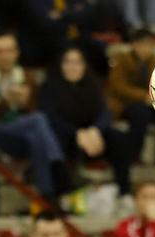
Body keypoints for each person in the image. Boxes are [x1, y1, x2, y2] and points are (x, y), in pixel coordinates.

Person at [0, 31, 70, 203]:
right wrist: (6, 101)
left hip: (21, 136)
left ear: (16, 53)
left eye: (8, 51)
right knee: (38, 119)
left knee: (36, 137)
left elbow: (32, 114)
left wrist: (25, 104)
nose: (4, 56)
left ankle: (46, 196)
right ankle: (57, 163)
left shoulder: (25, 77)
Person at [38, 46, 132, 207]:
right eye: (68, 62)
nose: (73, 67)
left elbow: (105, 113)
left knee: (118, 139)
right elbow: (49, 118)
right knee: (53, 142)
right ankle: (64, 194)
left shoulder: (93, 84)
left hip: (92, 138)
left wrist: (95, 130)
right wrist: (76, 133)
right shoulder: (49, 87)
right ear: (61, 65)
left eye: (77, 62)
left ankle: (124, 193)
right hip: (65, 136)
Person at [107, 29, 155, 164]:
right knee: (140, 115)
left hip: (149, 103)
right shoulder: (122, 60)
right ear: (134, 45)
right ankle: (134, 156)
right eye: (142, 45)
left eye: (149, 45)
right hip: (125, 103)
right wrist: (142, 96)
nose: (145, 49)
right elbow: (117, 87)